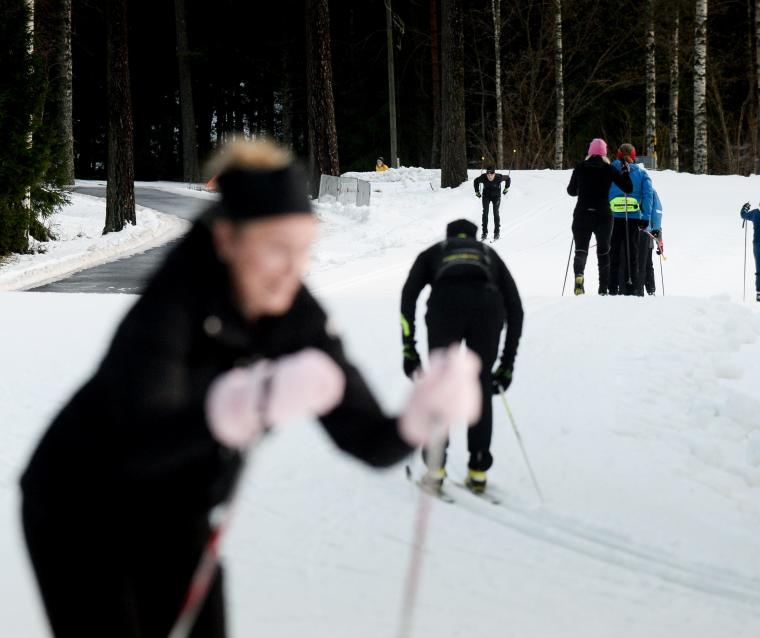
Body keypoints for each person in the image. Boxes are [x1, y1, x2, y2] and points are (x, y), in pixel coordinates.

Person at [19, 139, 481, 638]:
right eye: (276, 250)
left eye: (303, 249)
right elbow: (133, 447)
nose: (293, 270)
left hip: (179, 513)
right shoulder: (169, 305)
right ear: (227, 240)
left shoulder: (294, 311)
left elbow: (369, 440)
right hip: (79, 507)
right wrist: (229, 412)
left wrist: (415, 421)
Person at [400, 218, 524, 494]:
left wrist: (409, 348)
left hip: (445, 307)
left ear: (449, 238)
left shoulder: (433, 252)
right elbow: (516, 309)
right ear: (475, 237)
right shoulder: (489, 255)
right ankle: (478, 469)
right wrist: (506, 363)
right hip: (488, 307)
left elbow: (408, 298)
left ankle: (435, 469)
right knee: (480, 385)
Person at [566, 138, 634, 295]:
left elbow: (571, 191)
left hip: (582, 214)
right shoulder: (608, 169)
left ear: (590, 152)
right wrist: (625, 172)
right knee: (604, 251)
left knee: (581, 250)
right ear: (604, 153)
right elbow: (628, 188)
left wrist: (582, 188)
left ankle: (579, 277)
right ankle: (603, 289)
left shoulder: (580, 167)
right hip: (603, 215)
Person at [607, 143, 654, 296]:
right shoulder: (641, 174)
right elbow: (648, 196)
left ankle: (612, 287)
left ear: (617, 155)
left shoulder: (609, 171)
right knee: (632, 252)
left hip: (613, 217)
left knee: (613, 252)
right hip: (633, 217)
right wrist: (646, 216)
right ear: (634, 157)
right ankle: (632, 285)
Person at [473, 166, 511, 240]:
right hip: (486, 196)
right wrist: (477, 191)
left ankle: (496, 233)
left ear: (494, 174)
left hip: (496, 196)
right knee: (485, 212)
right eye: (488, 174)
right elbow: (475, 181)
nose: (489, 176)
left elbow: (508, 178)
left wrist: (506, 188)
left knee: (495, 212)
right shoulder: (483, 177)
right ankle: (484, 233)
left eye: (491, 174)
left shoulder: (499, 177)